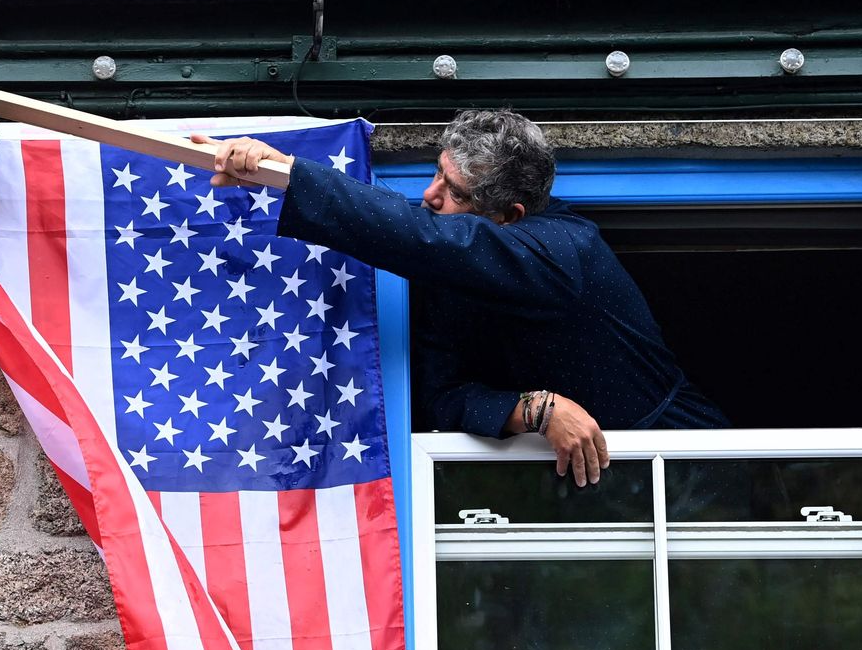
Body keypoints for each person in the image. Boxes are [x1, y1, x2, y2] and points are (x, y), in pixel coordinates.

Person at [196, 109, 726, 485]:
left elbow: (427, 237)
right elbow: (440, 397)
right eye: (437, 172)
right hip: (586, 492)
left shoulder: (564, 251)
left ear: (509, 217)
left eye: (455, 192)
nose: (429, 195)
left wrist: (288, 174)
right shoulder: (459, 277)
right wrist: (532, 410)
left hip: (697, 475)